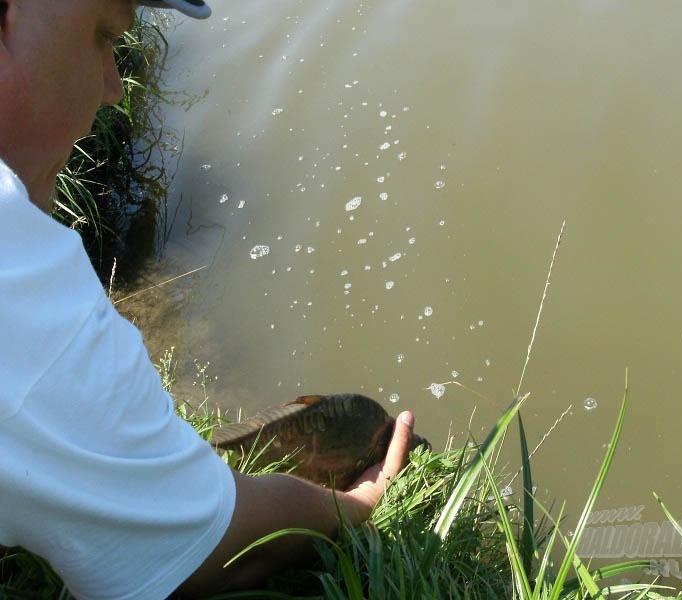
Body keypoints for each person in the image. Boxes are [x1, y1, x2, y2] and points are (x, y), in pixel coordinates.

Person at [0, 0, 417, 598]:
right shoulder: (15, 273)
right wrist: (356, 505)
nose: (114, 87)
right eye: (101, 36)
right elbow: (199, 546)